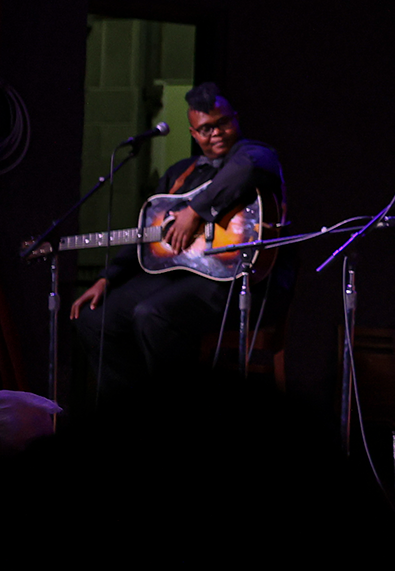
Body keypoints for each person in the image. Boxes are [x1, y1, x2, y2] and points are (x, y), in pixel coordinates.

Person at [71, 82, 287, 408]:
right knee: (94, 319)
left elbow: (245, 170)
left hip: (229, 281)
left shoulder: (257, 155)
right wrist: (108, 276)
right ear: (193, 133)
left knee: (153, 315)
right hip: (178, 276)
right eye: (205, 129)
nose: (215, 133)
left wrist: (194, 212)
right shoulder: (180, 173)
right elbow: (146, 232)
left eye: (222, 123)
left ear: (236, 119)